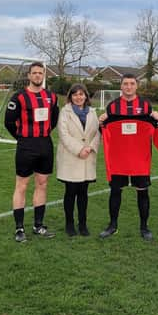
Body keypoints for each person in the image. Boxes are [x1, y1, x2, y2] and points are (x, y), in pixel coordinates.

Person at [98, 74, 158, 241]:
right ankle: (112, 226)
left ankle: (144, 227)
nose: (128, 87)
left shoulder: (146, 106)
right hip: (118, 158)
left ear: (137, 86)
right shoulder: (112, 107)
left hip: (140, 158)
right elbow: (104, 132)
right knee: (115, 191)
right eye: (125, 84)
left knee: (143, 192)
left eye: (131, 84)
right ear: (121, 86)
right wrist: (101, 123)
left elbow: (156, 127)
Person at [4, 62, 59, 242]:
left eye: (40, 73)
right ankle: (19, 229)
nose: (37, 76)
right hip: (26, 145)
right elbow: (9, 122)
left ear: (43, 75)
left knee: (42, 184)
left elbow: (54, 118)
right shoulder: (19, 97)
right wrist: (22, 138)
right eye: (34, 73)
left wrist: (43, 135)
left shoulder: (51, 97)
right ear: (28, 76)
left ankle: (38, 225)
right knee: (22, 185)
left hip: (45, 144)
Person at [56, 83, 100, 237]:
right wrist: (79, 149)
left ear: (86, 96)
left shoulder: (93, 112)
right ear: (71, 96)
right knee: (70, 192)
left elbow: (97, 133)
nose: (78, 97)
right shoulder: (65, 112)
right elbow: (63, 134)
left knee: (83, 193)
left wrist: (90, 148)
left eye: (81, 94)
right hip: (71, 158)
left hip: (87, 158)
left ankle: (82, 224)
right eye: (75, 94)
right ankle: (69, 224)